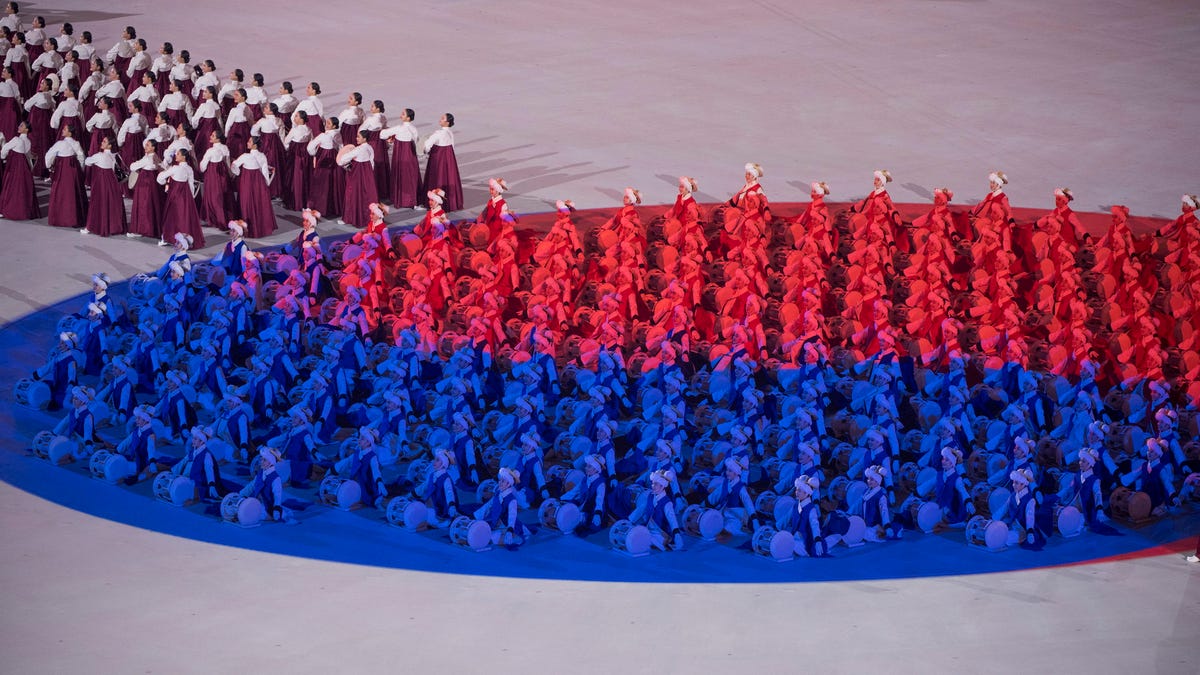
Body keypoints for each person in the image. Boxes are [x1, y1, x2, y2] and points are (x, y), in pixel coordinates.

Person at [156, 147, 204, 248]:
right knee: (184, 217)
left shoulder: (175, 168)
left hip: (175, 195)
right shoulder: (189, 169)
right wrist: (190, 199)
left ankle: (168, 237)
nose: (175, 155)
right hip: (186, 197)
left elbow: (160, 178)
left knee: (171, 217)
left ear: (183, 156)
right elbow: (191, 186)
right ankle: (184, 239)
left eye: (178, 154)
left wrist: (162, 177)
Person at [231, 135, 277, 238]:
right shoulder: (262, 156)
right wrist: (267, 184)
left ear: (254, 145)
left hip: (247, 181)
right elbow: (265, 172)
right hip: (258, 181)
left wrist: (237, 171)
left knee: (246, 202)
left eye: (250, 141)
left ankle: (248, 227)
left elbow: (235, 166)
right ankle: (259, 227)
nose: (247, 142)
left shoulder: (245, 156)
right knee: (257, 202)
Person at [474, 467, 530, 549]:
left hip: (507, 526)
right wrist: (477, 516)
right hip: (495, 523)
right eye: (500, 480)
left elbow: (512, 516)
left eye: (503, 481)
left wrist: (510, 531)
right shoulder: (498, 493)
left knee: (492, 538)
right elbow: (489, 505)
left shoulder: (511, 500)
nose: (499, 482)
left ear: (508, 484)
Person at [82, 136, 127, 236]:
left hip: (101, 183)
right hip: (113, 184)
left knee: (97, 204)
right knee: (111, 204)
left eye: (104, 141)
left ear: (109, 145)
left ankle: (91, 226)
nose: (102, 142)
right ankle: (113, 226)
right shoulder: (115, 155)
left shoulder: (99, 155)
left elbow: (87, 162)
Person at [44, 124, 88, 228]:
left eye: (65, 129)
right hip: (73, 169)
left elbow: (49, 154)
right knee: (73, 192)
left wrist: (49, 166)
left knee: (60, 192)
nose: (63, 130)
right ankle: (75, 218)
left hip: (62, 169)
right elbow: (81, 156)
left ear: (70, 132)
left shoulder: (60, 143)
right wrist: (80, 169)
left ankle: (60, 217)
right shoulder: (76, 143)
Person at [381, 106, 420, 207]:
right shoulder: (413, 129)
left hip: (400, 154)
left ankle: (398, 198)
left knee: (399, 173)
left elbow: (383, 135)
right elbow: (416, 140)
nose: (400, 115)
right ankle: (412, 199)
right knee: (410, 175)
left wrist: (389, 137)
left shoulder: (399, 128)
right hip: (411, 154)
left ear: (408, 118)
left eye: (403, 114)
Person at [422, 112, 462, 211]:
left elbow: (427, 145)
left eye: (443, 118)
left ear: (447, 122)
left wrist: (425, 151)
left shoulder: (438, 133)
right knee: (447, 177)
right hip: (448, 159)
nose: (440, 119)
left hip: (438, 158)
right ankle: (450, 202)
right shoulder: (450, 133)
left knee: (437, 177)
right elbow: (452, 147)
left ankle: (435, 201)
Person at [337, 129, 377, 228]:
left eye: (359, 137)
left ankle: (349, 218)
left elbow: (342, 160)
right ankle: (370, 218)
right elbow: (372, 162)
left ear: (364, 138)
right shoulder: (370, 148)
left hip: (357, 174)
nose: (356, 138)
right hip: (367, 174)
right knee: (367, 195)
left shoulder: (358, 149)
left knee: (352, 194)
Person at [0, 120, 39, 219]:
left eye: (21, 126)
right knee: (22, 187)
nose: (19, 127)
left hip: (14, 165)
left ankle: (7, 209)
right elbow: (29, 155)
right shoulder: (28, 141)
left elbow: (5, 149)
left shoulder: (16, 139)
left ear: (26, 129)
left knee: (10, 185)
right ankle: (23, 210)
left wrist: (3, 157)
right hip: (24, 166)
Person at [198, 128, 234, 228]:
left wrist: (202, 170)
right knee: (223, 194)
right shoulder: (225, 148)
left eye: (213, 136)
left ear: (218, 139)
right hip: (223, 173)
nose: (210, 137)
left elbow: (203, 165)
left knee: (212, 195)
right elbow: (227, 162)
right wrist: (230, 173)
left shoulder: (210, 151)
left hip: (213, 174)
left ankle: (214, 218)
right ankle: (226, 217)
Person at [306, 115, 342, 216]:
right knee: (332, 182)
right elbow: (341, 146)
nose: (326, 124)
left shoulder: (323, 136)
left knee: (320, 182)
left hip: (324, 158)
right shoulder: (338, 134)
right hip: (334, 157)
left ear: (334, 126)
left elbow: (310, 147)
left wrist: (314, 154)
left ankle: (318, 206)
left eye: (329, 123)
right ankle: (332, 208)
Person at [282, 110, 311, 210]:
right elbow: (311, 143)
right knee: (304, 176)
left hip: (295, 154)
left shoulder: (294, 130)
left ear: (302, 119)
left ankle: (294, 200)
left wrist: (288, 149)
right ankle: (304, 200)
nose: (295, 118)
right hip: (305, 156)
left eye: (297, 116)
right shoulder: (309, 129)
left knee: (293, 176)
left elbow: (286, 142)